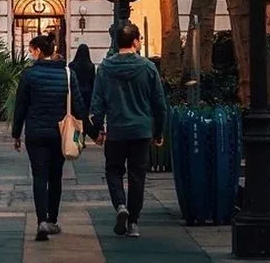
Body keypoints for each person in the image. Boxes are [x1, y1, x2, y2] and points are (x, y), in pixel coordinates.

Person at [90, 23, 168, 238]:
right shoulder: (148, 67)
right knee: (137, 176)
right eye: (140, 39)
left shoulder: (105, 68)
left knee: (113, 170)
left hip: (116, 129)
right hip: (141, 130)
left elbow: (97, 103)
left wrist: (97, 129)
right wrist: (159, 131)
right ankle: (133, 221)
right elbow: (159, 103)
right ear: (135, 41)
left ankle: (120, 205)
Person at [11, 34, 85, 242]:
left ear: (39, 51)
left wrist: (17, 133)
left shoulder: (29, 75)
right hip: (60, 134)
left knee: (39, 176)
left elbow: (21, 107)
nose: (29, 53)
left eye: (31, 49)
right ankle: (52, 220)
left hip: (36, 133)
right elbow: (78, 105)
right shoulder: (68, 74)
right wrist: (86, 132)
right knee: (55, 177)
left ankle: (41, 221)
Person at [69, 44, 97, 139]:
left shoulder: (72, 65)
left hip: (75, 94)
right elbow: (93, 81)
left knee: (76, 117)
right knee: (85, 117)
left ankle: (76, 137)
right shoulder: (91, 66)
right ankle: (84, 136)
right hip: (87, 95)